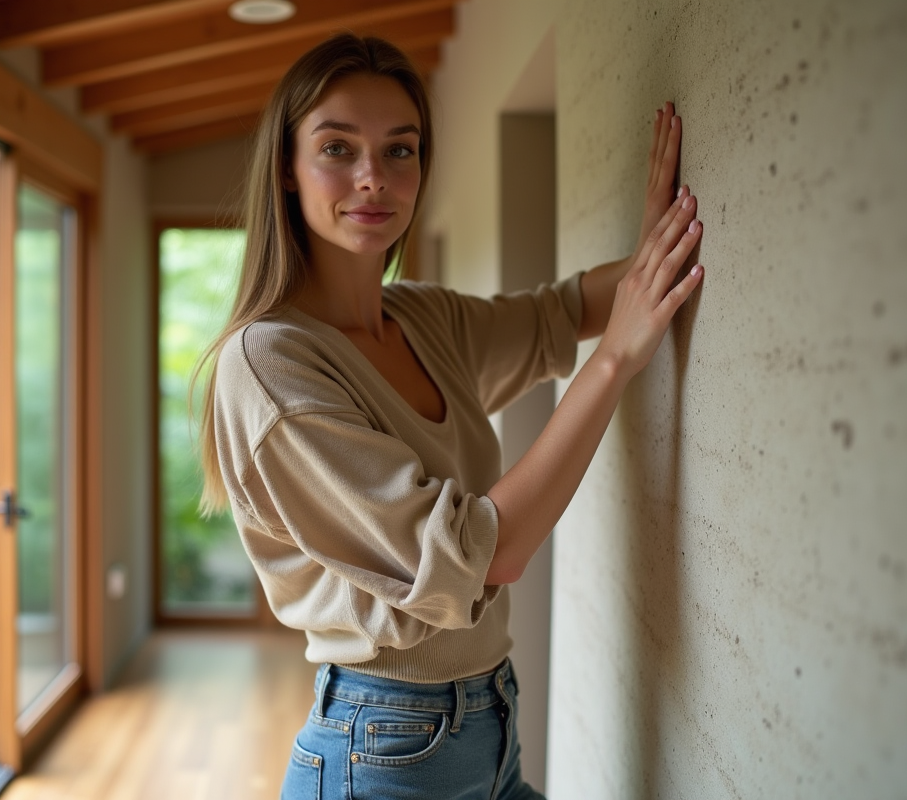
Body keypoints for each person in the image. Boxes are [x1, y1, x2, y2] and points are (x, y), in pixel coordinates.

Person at [195, 33, 704, 800]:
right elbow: (481, 555)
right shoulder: (269, 363)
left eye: (400, 151)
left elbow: (563, 313)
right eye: (338, 147)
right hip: (384, 749)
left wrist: (653, 245)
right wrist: (614, 364)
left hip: (488, 719)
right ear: (288, 173)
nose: (373, 178)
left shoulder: (423, 318)